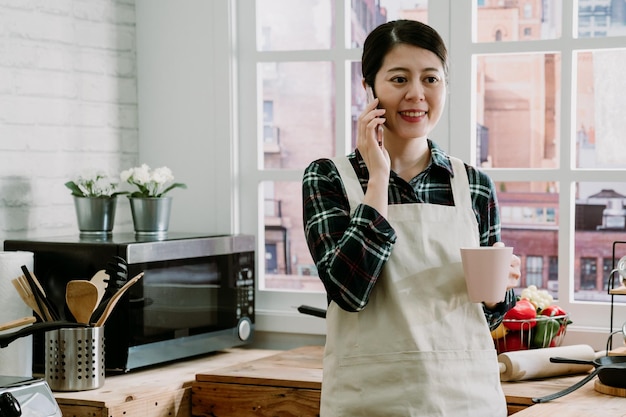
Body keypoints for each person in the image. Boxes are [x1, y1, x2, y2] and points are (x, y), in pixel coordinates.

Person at [302, 19, 521, 416]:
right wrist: (378, 177)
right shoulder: (328, 177)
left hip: (465, 399)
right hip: (368, 400)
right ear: (369, 87)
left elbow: (487, 316)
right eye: (399, 79)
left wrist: (498, 293)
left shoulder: (473, 185)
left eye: (431, 79)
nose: (416, 95)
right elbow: (348, 291)